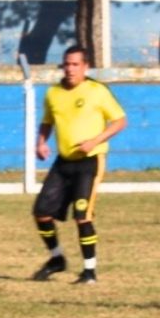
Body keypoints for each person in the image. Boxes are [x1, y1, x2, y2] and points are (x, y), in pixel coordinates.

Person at [30, 45, 127, 285]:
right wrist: (41, 142)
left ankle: (89, 272)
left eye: (75, 64)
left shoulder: (97, 91)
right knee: (41, 212)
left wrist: (94, 141)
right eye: (66, 64)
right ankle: (56, 259)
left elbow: (120, 121)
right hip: (63, 162)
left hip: (90, 162)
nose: (70, 69)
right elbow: (47, 121)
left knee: (82, 215)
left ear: (86, 67)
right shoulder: (53, 93)